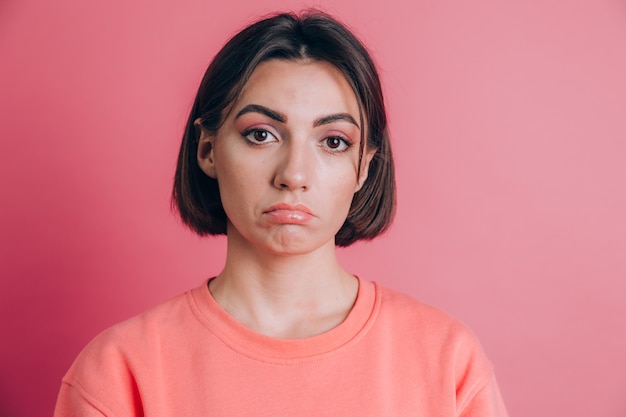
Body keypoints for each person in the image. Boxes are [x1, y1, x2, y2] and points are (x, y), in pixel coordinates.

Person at [54, 10, 508, 416]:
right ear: (208, 149)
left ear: (364, 168)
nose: (294, 174)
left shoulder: (447, 360)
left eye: (333, 141)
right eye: (261, 134)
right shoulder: (118, 372)